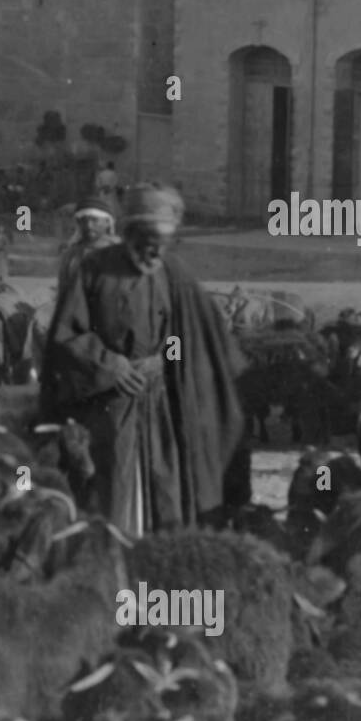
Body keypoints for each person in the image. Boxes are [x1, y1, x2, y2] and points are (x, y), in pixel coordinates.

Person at [39, 184, 244, 538]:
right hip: (109, 402)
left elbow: (187, 338)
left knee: (168, 486)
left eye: (163, 238)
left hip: (162, 402)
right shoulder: (93, 268)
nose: (155, 246)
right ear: (130, 232)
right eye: (148, 235)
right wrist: (112, 366)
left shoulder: (174, 275)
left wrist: (166, 361)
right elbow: (67, 334)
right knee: (113, 489)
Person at [57, 197, 119, 293]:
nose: (88, 225)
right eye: (84, 221)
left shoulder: (119, 253)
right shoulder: (71, 254)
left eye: (94, 220)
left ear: (107, 222)